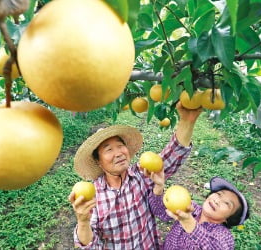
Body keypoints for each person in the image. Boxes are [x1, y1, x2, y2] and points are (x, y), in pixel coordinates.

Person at [68, 101, 202, 249]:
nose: (118, 153)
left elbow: (173, 154)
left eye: (120, 146)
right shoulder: (94, 196)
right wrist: (83, 222)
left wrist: (188, 121)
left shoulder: (141, 175)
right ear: (98, 162)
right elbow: (90, 245)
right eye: (109, 150)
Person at [148, 171, 250, 250]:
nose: (217, 200)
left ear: (230, 218)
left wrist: (189, 223)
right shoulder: (191, 208)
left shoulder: (223, 235)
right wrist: (159, 187)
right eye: (219, 194)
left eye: (227, 203)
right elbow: (160, 211)